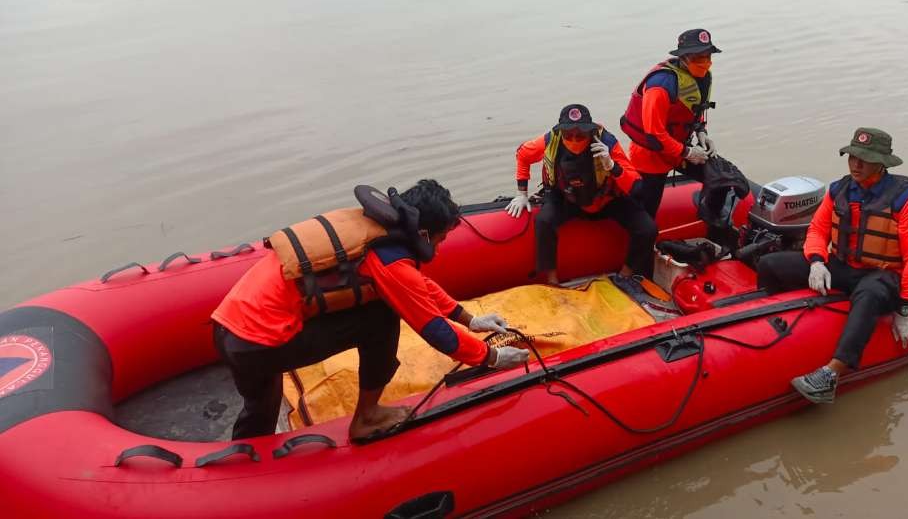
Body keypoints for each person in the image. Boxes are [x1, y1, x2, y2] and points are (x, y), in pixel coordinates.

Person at [211, 179, 529, 441]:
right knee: (381, 316)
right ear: (423, 233)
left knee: (259, 412)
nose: (441, 245)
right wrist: (492, 358)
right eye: (442, 238)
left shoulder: (374, 231)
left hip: (232, 329)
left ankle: (246, 461)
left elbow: (418, 285)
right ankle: (367, 417)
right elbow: (436, 332)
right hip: (259, 342)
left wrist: (470, 319)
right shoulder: (388, 260)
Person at [756, 128, 908, 404]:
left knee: (870, 294)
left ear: (882, 163)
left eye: (864, 159)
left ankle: (830, 376)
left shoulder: (906, 201)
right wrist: (816, 261)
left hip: (883, 275)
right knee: (770, 264)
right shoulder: (839, 190)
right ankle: (764, 331)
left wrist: (905, 309)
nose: (855, 164)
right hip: (843, 266)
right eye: (852, 157)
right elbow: (817, 231)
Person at [506, 104, 657, 284]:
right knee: (543, 221)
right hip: (567, 199)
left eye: (581, 135)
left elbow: (636, 187)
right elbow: (522, 154)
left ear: (590, 132)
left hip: (605, 199)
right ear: (561, 132)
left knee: (648, 229)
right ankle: (552, 281)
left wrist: (612, 166)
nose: (575, 140)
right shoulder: (550, 140)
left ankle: (625, 275)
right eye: (569, 135)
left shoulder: (607, 142)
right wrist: (521, 192)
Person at [620, 28, 722, 219]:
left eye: (707, 57)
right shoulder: (661, 85)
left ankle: (712, 224)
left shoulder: (701, 78)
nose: (705, 63)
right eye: (698, 58)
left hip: (677, 148)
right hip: (650, 156)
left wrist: (701, 132)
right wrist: (688, 152)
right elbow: (653, 135)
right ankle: (645, 245)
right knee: (646, 215)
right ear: (684, 57)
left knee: (722, 178)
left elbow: (692, 111)